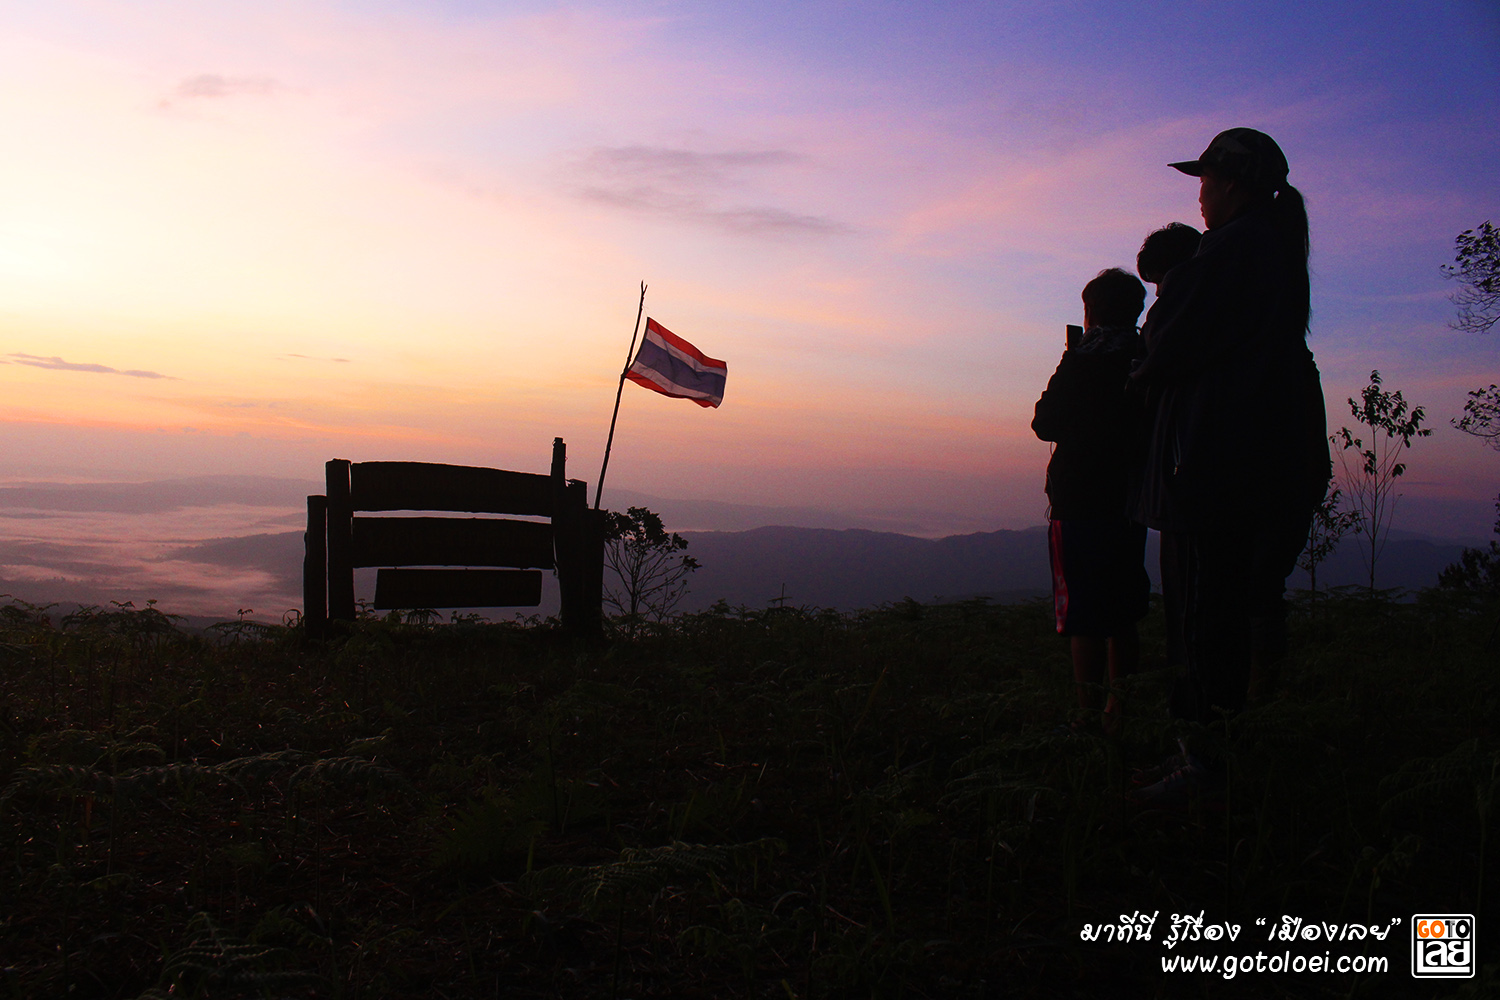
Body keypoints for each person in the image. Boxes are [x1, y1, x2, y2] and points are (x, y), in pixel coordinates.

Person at [1129, 128, 1331, 799]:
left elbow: (1166, 344)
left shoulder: (1231, 250)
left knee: (1198, 618)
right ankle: (1206, 757)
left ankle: (1203, 767)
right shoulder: (1272, 250)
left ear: (1233, 182)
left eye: (1206, 180)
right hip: (1236, 465)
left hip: (1206, 471)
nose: (1201, 195)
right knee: (1218, 615)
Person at [1032, 267, 1152, 737]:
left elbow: (1045, 423)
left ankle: (1086, 714)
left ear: (1091, 311)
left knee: (1081, 609)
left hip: (1079, 497)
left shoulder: (1083, 361)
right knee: (1122, 610)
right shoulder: (1149, 356)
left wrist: (1071, 359)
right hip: (1131, 497)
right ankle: (1119, 713)